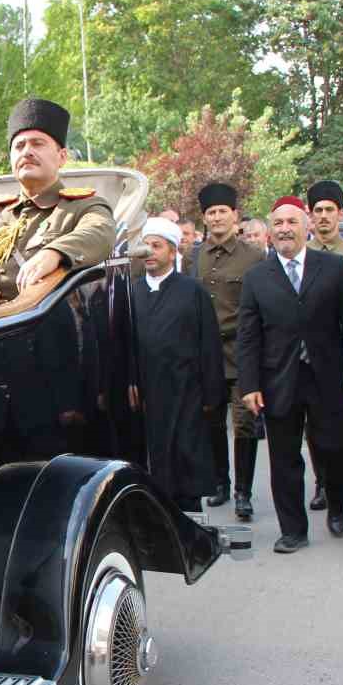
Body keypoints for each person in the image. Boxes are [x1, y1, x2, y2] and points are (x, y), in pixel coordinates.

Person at [239, 196, 343, 550]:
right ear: (270, 233)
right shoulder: (257, 277)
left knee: (334, 449)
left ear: (306, 226)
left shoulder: (333, 267)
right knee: (284, 457)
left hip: (328, 376)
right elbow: (249, 335)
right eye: (278, 224)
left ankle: (337, 503)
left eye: (292, 222)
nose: (285, 229)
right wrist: (250, 385)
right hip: (279, 380)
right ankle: (293, 530)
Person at [0, 98, 116, 300]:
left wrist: (55, 253)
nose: (26, 151)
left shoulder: (83, 207)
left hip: (46, 323)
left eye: (38, 143)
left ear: (62, 157)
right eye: (19, 146)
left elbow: (100, 233)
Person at [132, 217, 225, 509]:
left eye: (156, 246)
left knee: (186, 456)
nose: (150, 252)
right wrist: (129, 381)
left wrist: (212, 395)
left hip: (186, 391)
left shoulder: (192, 291)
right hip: (145, 392)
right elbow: (122, 345)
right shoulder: (129, 291)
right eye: (145, 245)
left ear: (172, 252)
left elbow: (209, 344)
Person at [193, 182, 264, 518]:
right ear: (204, 218)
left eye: (223, 211)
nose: (217, 217)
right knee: (211, 422)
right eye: (211, 213)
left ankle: (243, 492)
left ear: (235, 216)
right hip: (205, 355)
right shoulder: (193, 257)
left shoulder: (254, 257)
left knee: (245, 423)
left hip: (242, 353)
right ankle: (220, 482)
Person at [305, 179, 343, 508]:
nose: (323, 216)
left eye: (330, 210)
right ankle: (323, 481)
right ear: (310, 216)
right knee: (314, 425)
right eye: (318, 211)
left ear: (340, 214)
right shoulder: (302, 252)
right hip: (311, 355)